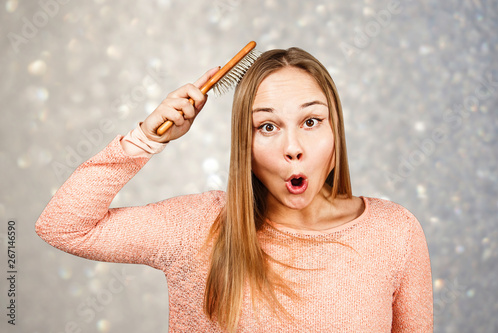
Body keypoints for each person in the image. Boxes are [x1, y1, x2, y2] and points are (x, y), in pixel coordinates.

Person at [36, 47, 433, 332]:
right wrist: (146, 137)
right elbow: (63, 225)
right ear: (245, 144)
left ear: (335, 133)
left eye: (311, 121)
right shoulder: (199, 227)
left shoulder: (395, 231)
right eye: (268, 126)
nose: (293, 147)